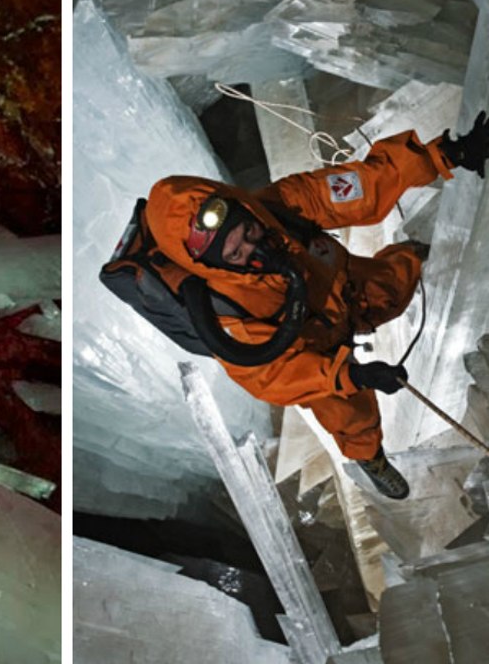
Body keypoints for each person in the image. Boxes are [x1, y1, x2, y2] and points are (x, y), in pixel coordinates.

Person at [142, 114, 489, 500]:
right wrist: (351, 377)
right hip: (314, 354)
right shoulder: (224, 314)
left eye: (248, 232)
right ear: (208, 265)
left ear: (245, 210)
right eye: (235, 253)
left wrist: (444, 154)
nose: (253, 249)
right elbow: (273, 375)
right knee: (349, 414)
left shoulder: (283, 208)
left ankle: (414, 254)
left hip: (345, 288)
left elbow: (363, 186)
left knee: (391, 287)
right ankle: (369, 458)